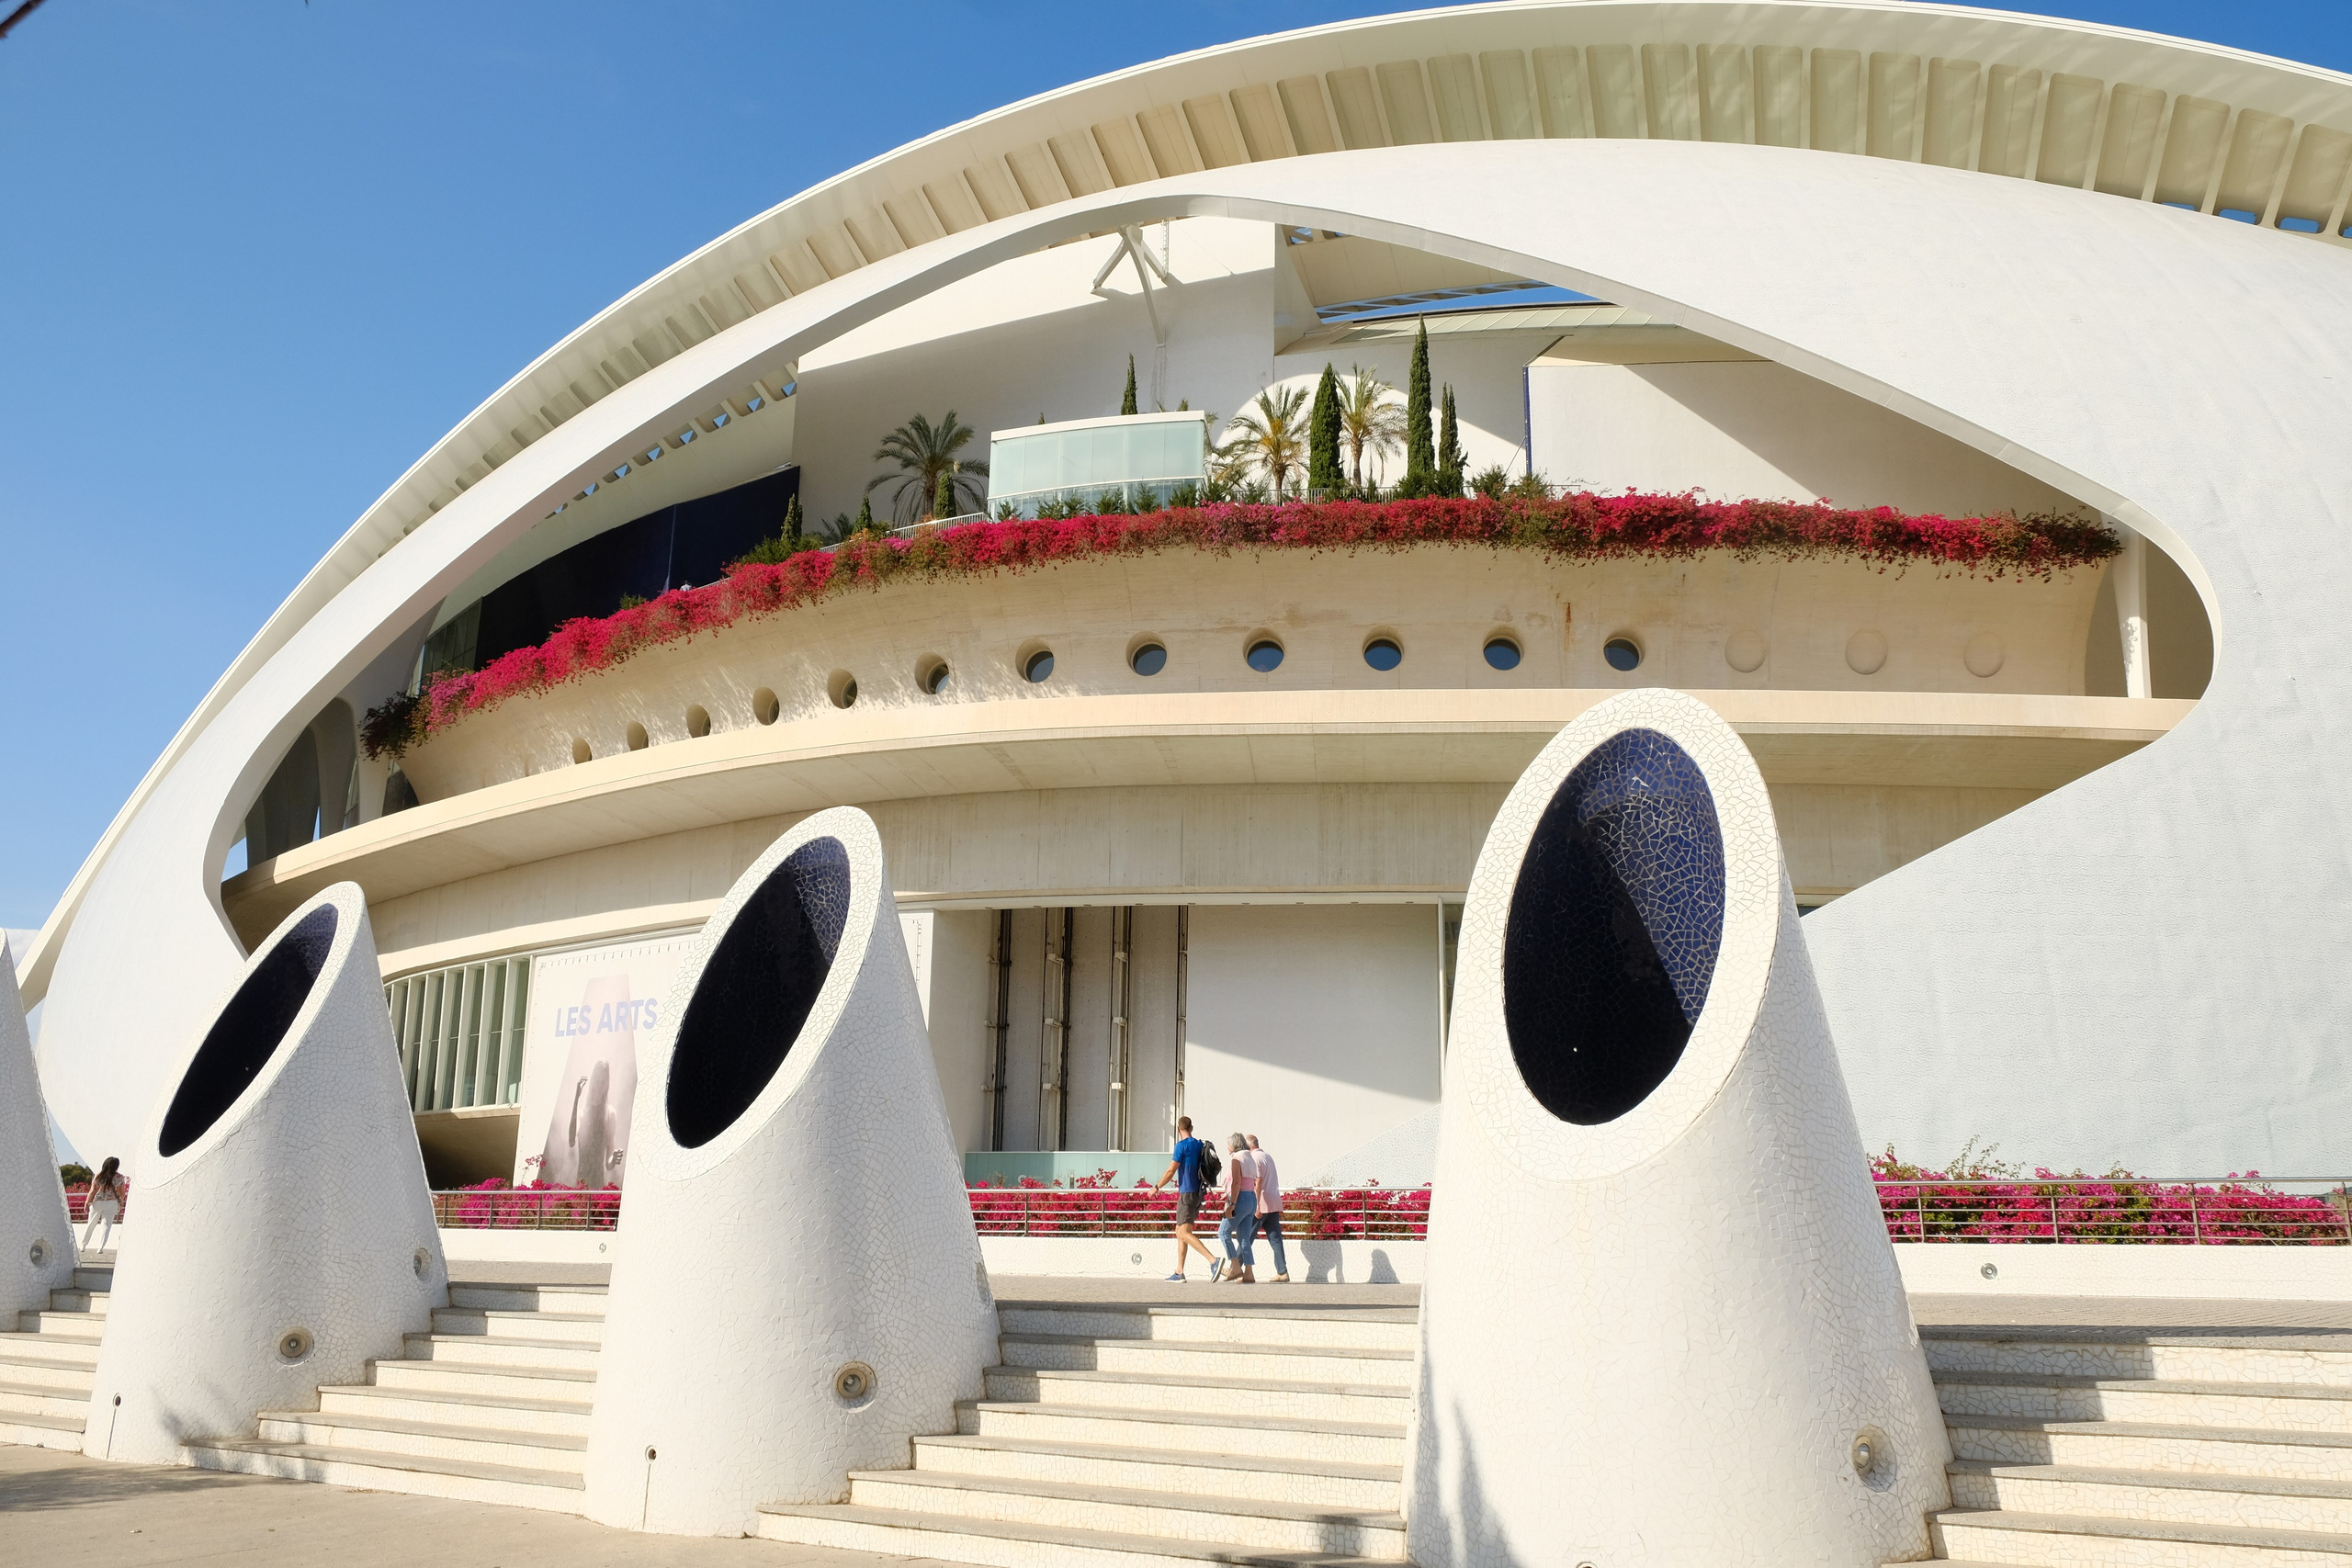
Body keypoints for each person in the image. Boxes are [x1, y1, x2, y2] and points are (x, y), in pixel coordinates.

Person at [1151, 1117, 1217, 1281]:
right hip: (1197, 1193)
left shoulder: (1181, 1146)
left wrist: (1157, 1186)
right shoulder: (1199, 1145)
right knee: (1179, 1231)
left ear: (1178, 1129)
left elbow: (1171, 1171)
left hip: (1187, 1193)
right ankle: (1179, 1271)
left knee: (1183, 1232)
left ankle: (1213, 1261)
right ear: (1191, 1128)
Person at [1216, 1132, 1260, 1284]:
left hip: (1240, 1198)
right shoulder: (1250, 1157)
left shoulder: (1236, 1159)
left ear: (1234, 1145)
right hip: (1251, 1199)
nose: (1227, 1147)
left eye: (1228, 1144)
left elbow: (1236, 1183)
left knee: (1223, 1232)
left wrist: (1232, 1204)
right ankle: (1249, 1272)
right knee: (1243, 1237)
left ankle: (1235, 1267)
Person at [1247, 1134, 1289, 1283]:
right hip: (1273, 1202)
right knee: (1275, 1239)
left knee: (1247, 1237)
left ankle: (1235, 1267)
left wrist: (1256, 1205)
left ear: (1248, 1146)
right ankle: (1282, 1271)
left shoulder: (1254, 1158)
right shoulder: (1268, 1157)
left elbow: (1258, 1182)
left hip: (1262, 1205)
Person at [81, 1156, 124, 1253]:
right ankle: (100, 1247)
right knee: (106, 1226)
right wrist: (120, 1203)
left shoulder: (98, 1176)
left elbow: (92, 1191)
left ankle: (83, 1245)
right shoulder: (120, 1177)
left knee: (91, 1224)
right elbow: (122, 1193)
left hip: (98, 1202)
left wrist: (87, 1203)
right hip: (112, 1202)